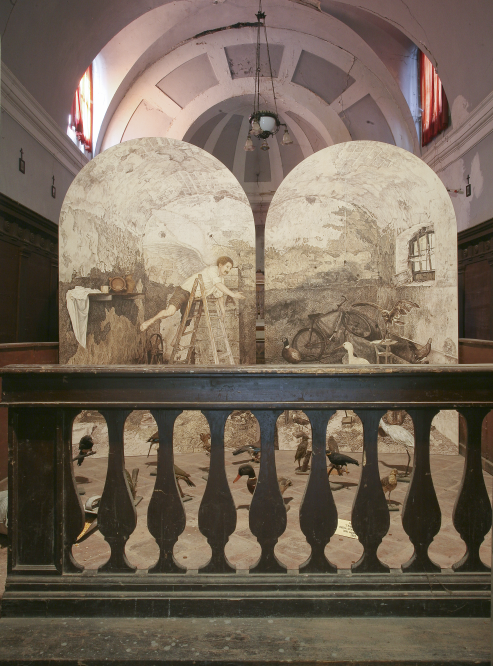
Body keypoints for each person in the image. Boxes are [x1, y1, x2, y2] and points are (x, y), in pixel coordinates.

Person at [140, 256, 245, 332]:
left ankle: (174, 342)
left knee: (186, 321)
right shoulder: (212, 271)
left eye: (230, 269)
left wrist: (223, 311)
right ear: (220, 265)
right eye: (227, 267)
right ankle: (148, 322)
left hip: (193, 297)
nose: (228, 270)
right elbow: (218, 285)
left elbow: (220, 295)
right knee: (170, 312)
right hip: (184, 291)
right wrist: (233, 294)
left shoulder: (221, 279)